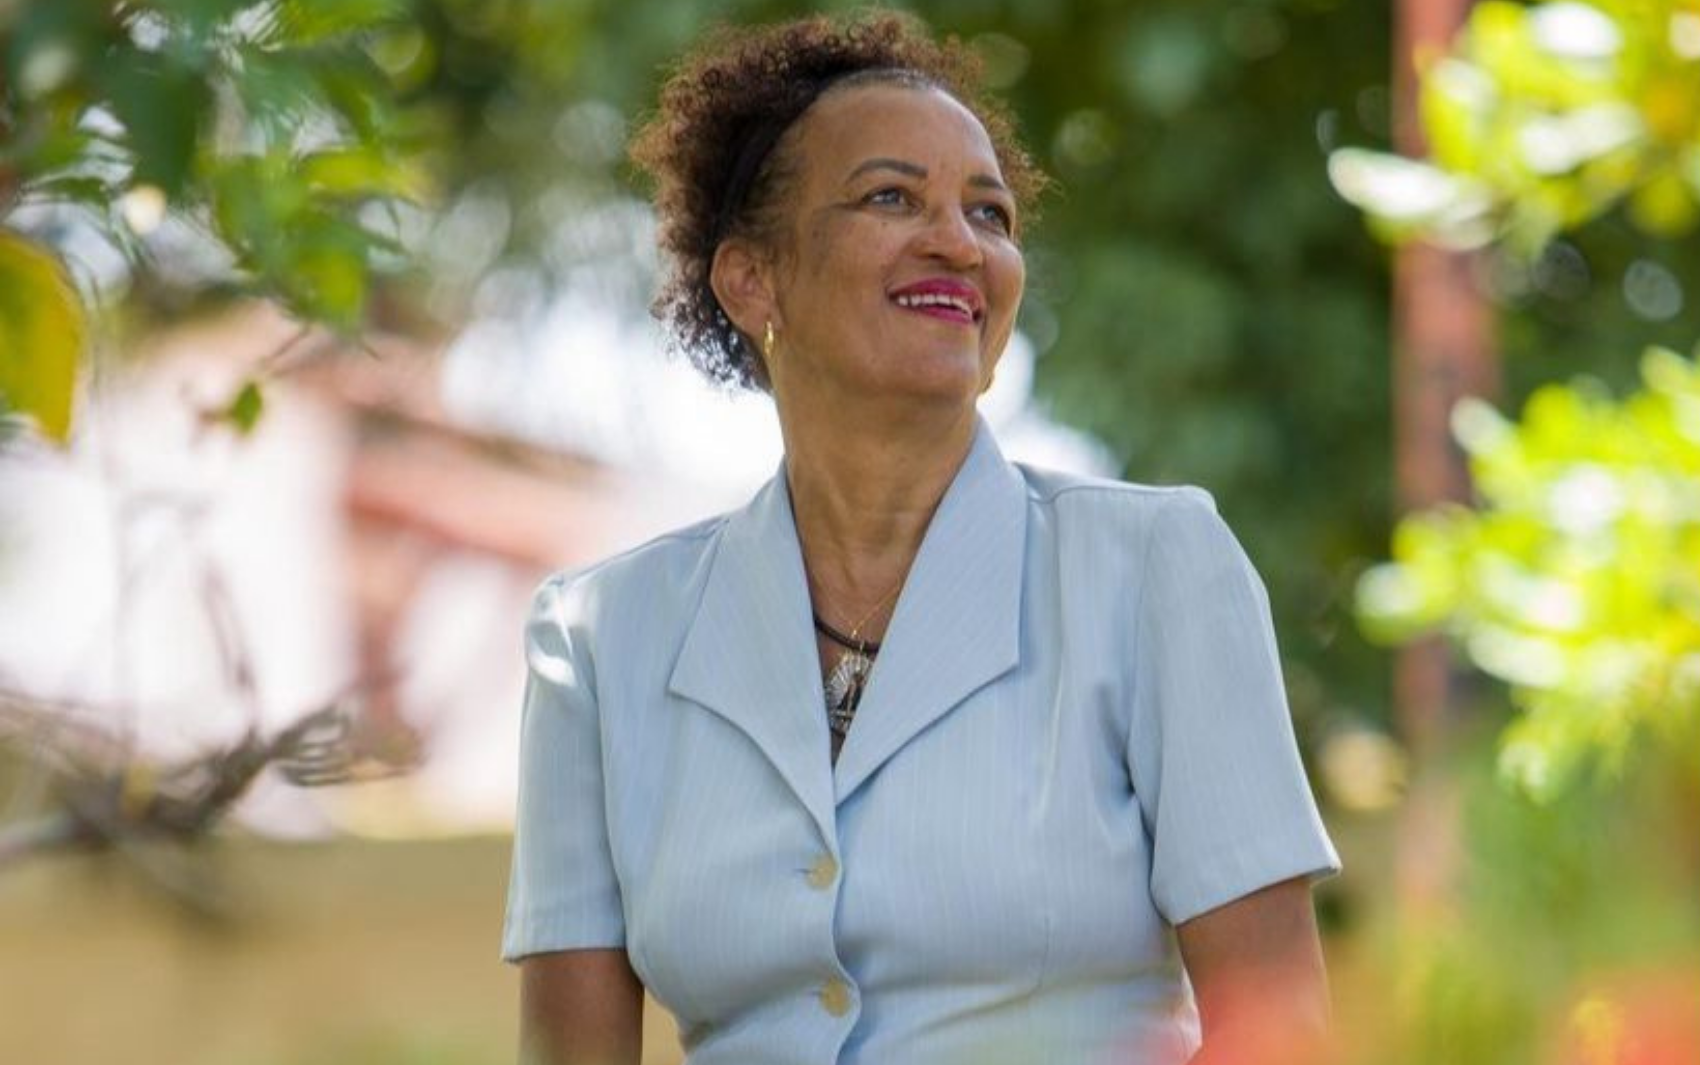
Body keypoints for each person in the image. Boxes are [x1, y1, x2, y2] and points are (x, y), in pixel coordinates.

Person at [503, 11, 1340, 1065]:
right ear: (751, 280)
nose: (958, 240)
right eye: (890, 196)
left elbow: (1280, 1035)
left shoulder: (1153, 570)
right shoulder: (596, 639)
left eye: (987, 213)